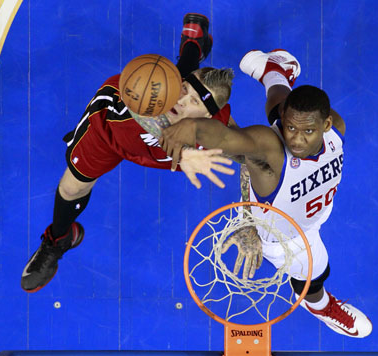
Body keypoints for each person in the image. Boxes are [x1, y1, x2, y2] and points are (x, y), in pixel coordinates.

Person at [160, 49, 373, 338]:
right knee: (313, 275)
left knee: (279, 103)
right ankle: (320, 307)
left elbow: (293, 116)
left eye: (308, 131)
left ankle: (274, 71)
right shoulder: (270, 147)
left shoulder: (337, 129)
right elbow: (226, 138)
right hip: (288, 237)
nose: (296, 138)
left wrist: (284, 109)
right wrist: (192, 127)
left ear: (326, 126)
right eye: (291, 128)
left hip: (317, 210)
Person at [21, 13, 236, 293]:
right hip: (110, 130)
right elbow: (142, 112)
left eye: (193, 101)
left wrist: (251, 215)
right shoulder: (146, 90)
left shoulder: (216, 128)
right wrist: (181, 155)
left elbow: (249, 154)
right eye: (183, 89)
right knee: (72, 188)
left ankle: (192, 47)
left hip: (163, 139)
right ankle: (58, 239)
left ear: (209, 116)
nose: (180, 99)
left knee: (186, 72)